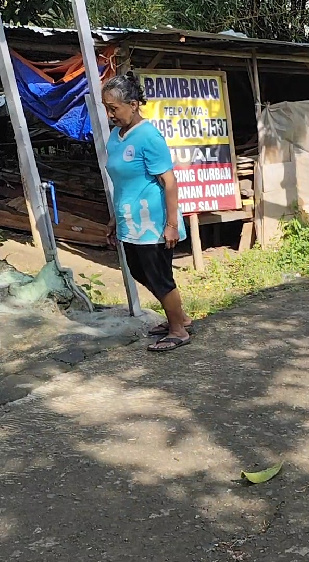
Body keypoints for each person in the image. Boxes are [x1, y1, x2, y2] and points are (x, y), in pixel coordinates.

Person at [102, 71, 193, 352]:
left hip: (153, 223)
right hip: (130, 222)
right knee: (140, 272)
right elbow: (122, 182)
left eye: (114, 108)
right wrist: (114, 219)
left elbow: (169, 182)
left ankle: (178, 330)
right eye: (107, 109)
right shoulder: (116, 136)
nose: (110, 115)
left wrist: (172, 224)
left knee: (159, 277)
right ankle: (180, 318)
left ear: (133, 104)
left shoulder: (149, 137)